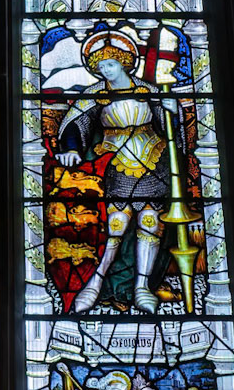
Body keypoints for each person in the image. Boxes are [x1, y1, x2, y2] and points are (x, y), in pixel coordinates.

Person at [54, 26, 189, 314]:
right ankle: (95, 284)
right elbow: (74, 124)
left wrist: (172, 112)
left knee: (150, 224)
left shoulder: (148, 90)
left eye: (111, 63)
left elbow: (170, 130)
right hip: (118, 165)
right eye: (101, 66)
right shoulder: (94, 94)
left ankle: (141, 288)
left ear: (125, 62)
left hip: (155, 161)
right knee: (115, 226)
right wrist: (71, 150)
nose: (106, 70)